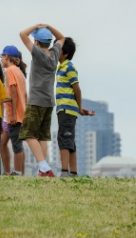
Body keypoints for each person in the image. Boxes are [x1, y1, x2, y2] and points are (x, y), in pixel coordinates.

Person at [19, 24, 65, 177]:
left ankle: (44, 166)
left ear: (37, 42)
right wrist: (50, 27)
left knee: (28, 133)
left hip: (36, 100)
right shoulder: (55, 54)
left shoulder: (37, 53)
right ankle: (42, 170)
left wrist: (37, 25)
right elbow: (62, 38)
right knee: (42, 136)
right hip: (49, 101)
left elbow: (22, 34)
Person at [56, 37, 95, 177]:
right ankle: (73, 173)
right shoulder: (61, 68)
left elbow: (77, 89)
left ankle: (65, 172)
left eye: (57, 49)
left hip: (67, 109)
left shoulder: (69, 67)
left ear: (65, 53)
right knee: (69, 140)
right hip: (65, 109)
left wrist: (79, 107)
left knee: (64, 139)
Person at [0, 45, 27, 175]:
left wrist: (14, 114)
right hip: (19, 113)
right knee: (4, 142)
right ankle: (15, 171)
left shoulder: (10, 71)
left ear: (7, 57)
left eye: (1, 57)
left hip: (15, 115)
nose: (1, 60)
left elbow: (14, 92)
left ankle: (17, 172)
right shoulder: (19, 71)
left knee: (17, 146)